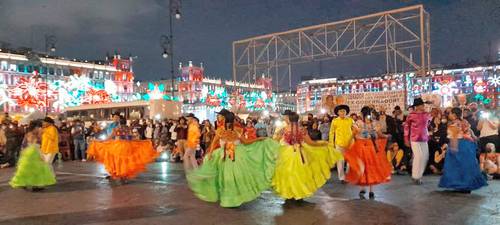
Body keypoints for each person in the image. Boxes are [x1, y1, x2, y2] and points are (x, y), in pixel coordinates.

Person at [186, 110, 279, 207]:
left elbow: (244, 142)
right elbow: (216, 142)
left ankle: (231, 198)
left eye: (221, 116)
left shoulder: (232, 129)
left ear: (225, 118)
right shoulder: (224, 129)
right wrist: (210, 153)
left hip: (233, 154)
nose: (219, 118)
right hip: (227, 155)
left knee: (230, 176)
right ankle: (230, 198)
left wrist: (259, 139)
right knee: (229, 176)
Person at [272, 112, 336, 200]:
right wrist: (323, 143)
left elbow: (275, 140)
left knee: (287, 174)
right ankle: (299, 193)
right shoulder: (302, 129)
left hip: (286, 153)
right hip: (300, 153)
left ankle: (289, 193)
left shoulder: (284, 129)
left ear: (289, 119)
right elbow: (311, 143)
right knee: (300, 174)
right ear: (298, 119)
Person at [87, 116, 158, 182]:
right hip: (127, 146)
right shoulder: (128, 128)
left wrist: (102, 141)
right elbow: (132, 137)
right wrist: (138, 141)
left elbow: (110, 137)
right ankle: (124, 176)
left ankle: (117, 174)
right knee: (125, 161)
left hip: (118, 145)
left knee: (116, 160)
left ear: (119, 122)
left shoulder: (117, 128)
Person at [344, 106, 392, 199]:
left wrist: (348, 144)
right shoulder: (374, 123)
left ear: (362, 114)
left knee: (363, 167)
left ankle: (363, 188)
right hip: (370, 147)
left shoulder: (358, 123)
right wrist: (386, 136)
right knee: (371, 167)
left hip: (361, 147)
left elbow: (353, 134)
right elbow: (380, 135)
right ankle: (371, 191)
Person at [438, 107, 487, 193]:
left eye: (450, 113)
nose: (449, 115)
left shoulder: (453, 125)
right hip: (468, 145)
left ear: (454, 115)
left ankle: (460, 185)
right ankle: (467, 186)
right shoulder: (464, 122)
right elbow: (470, 131)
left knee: (456, 166)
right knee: (467, 165)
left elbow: (454, 138)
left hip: (459, 145)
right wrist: (474, 137)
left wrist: (453, 148)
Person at [9, 120, 56, 191]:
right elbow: (32, 144)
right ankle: (33, 185)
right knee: (35, 169)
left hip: (28, 153)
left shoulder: (30, 133)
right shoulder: (31, 134)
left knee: (29, 169)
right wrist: (40, 153)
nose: (40, 128)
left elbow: (25, 145)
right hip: (32, 152)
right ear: (36, 127)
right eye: (39, 126)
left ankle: (28, 184)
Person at [404, 97, 432, 185]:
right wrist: (406, 139)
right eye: (421, 104)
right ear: (417, 106)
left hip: (424, 138)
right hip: (414, 138)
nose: (423, 106)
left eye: (423, 104)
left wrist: (430, 104)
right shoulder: (411, 115)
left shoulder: (426, 114)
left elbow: (429, 122)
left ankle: (419, 175)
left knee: (425, 157)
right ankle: (415, 176)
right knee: (419, 156)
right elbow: (406, 127)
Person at [329, 105, 354, 183]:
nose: (342, 112)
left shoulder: (350, 120)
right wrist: (331, 143)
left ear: (346, 112)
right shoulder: (335, 121)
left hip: (350, 143)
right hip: (339, 143)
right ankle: (342, 178)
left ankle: (348, 175)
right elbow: (331, 133)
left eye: (344, 111)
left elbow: (355, 129)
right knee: (340, 161)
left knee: (351, 161)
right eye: (341, 111)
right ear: (338, 113)